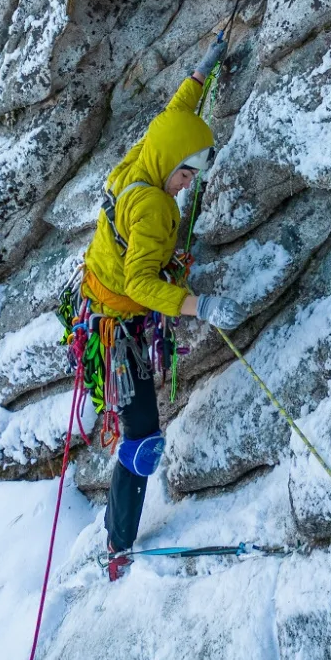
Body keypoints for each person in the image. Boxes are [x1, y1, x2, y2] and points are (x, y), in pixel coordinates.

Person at [81, 39, 247, 580]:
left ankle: (116, 538)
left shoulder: (142, 158)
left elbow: (173, 118)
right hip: (120, 326)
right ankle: (118, 544)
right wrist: (201, 305)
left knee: (140, 434)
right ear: (172, 167)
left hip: (100, 305)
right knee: (144, 438)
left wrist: (201, 73)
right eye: (187, 175)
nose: (187, 185)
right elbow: (141, 283)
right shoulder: (154, 207)